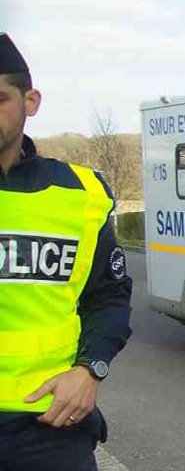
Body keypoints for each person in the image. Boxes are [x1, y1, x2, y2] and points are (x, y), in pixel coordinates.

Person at [0, 33, 132, 470]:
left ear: (30, 101)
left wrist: (90, 370)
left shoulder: (80, 194)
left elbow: (108, 297)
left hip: (49, 426)